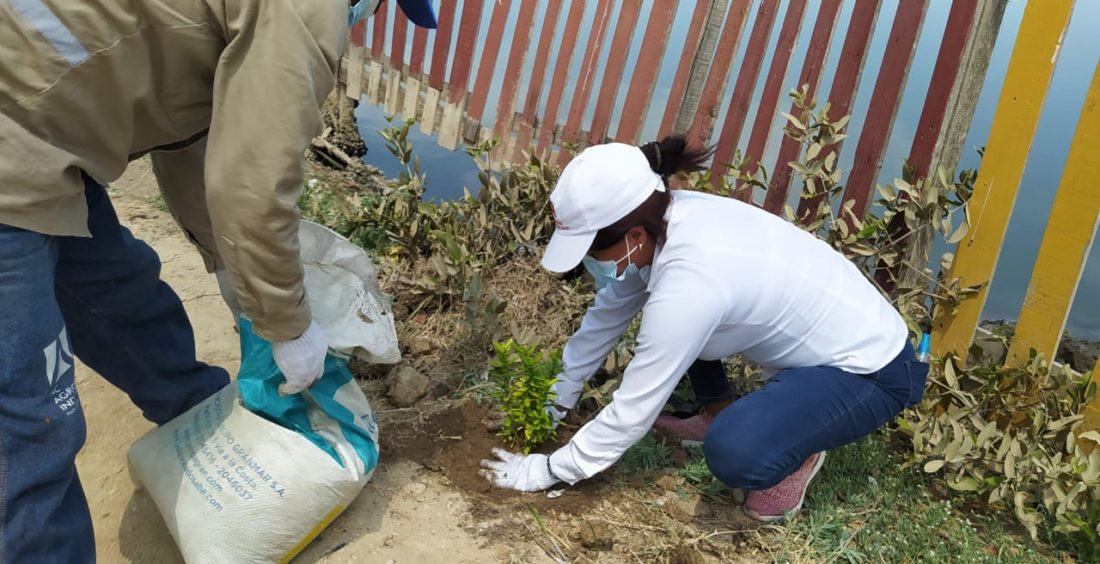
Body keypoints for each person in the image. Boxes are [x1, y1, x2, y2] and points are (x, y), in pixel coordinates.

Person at [0, 1, 435, 561]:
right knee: (33, 426)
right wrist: (284, 322)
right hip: (17, 149)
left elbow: (193, 140)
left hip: (47, 130)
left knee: (121, 299)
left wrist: (234, 272)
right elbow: (252, 183)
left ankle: (205, 432)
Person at [480, 137, 929, 522]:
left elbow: (635, 407)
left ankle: (800, 448)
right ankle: (716, 410)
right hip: (822, 344)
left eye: (590, 252)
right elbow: (605, 317)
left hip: (872, 371)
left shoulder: (692, 279)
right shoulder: (665, 222)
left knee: (734, 451)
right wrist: (556, 399)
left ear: (633, 236)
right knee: (675, 323)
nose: (587, 266)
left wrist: (553, 469)